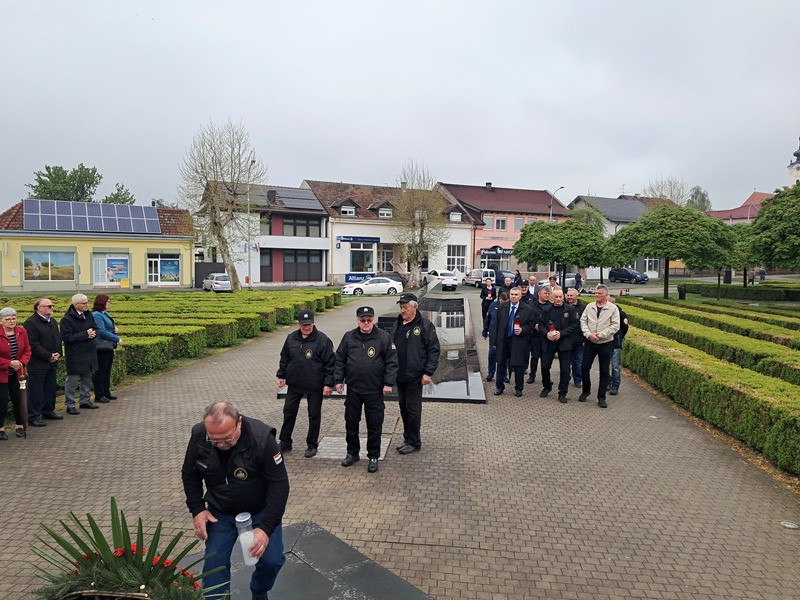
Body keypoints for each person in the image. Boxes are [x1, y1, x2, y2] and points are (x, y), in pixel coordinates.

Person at [182, 401, 289, 600]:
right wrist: (197, 509)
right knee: (214, 565)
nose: (221, 445)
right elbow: (189, 474)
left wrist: (266, 528)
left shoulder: (262, 439)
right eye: (215, 440)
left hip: (260, 511)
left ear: (239, 422)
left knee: (271, 561)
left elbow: (279, 485)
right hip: (221, 512)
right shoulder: (199, 435)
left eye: (227, 439)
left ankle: (259, 591)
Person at [335, 306, 398, 473]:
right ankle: (352, 453)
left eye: (369, 320)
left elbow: (392, 362)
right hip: (354, 389)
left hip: (374, 390)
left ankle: (373, 456)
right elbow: (340, 359)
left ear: (373, 319)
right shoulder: (349, 337)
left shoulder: (383, 337)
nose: (366, 323)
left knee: (374, 424)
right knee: (351, 422)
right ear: (357, 321)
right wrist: (338, 380)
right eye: (362, 320)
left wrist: (388, 383)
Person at [276, 308, 335, 458]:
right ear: (298, 324)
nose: (306, 327)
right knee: (288, 412)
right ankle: (285, 442)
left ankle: (312, 444)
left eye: (309, 324)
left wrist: (328, 384)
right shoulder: (291, 338)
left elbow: (330, 364)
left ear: (313, 323)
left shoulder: (323, 340)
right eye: (303, 324)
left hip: (315, 385)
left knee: (313, 416)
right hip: (295, 384)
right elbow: (284, 358)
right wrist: (281, 375)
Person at [391, 294, 440, 455]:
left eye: (406, 307)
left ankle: (414, 442)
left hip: (415, 375)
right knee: (403, 408)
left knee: (413, 410)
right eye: (401, 307)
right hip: (400, 375)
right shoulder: (398, 324)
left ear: (415, 307)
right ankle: (407, 438)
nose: (402, 310)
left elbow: (433, 350)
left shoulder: (425, 325)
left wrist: (428, 372)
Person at [579, 284, 620, 408]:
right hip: (590, 342)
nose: (596, 295)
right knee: (584, 368)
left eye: (599, 293)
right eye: (596, 293)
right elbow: (583, 321)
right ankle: (586, 391)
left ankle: (601, 397)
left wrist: (601, 335)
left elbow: (615, 326)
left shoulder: (613, 308)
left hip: (605, 343)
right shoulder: (589, 306)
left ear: (606, 295)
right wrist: (588, 334)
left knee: (604, 371)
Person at [23, 299, 63, 425]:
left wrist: (58, 353)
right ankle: (33, 416)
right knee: (36, 391)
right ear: (39, 308)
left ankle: (48, 411)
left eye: (52, 305)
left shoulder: (52, 321)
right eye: (49, 306)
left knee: (50, 388)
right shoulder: (31, 323)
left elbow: (58, 339)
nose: (52, 308)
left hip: (52, 362)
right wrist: (48, 356)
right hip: (37, 363)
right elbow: (33, 344)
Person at [539, 289, 580, 403]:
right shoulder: (546, 309)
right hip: (549, 342)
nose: (558, 299)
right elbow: (540, 325)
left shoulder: (570, 309)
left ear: (564, 297)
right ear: (552, 297)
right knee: (544, 367)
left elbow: (574, 325)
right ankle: (547, 386)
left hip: (564, 342)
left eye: (560, 297)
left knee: (565, 370)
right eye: (556, 297)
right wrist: (546, 333)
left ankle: (562, 392)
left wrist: (561, 333)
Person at [60, 293, 99, 414]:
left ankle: (85, 400)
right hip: (75, 353)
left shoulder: (88, 315)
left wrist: (93, 334)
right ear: (76, 305)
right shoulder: (67, 319)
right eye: (84, 303)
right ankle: (70, 404)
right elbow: (66, 337)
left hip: (89, 351)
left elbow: (95, 328)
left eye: (87, 302)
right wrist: (85, 334)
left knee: (87, 377)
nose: (87, 305)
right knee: (72, 379)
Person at [492, 287, 534, 397]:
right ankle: (499, 386)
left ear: (520, 296)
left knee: (518, 365)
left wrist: (523, 330)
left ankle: (519, 388)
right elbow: (496, 324)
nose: (513, 296)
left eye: (516, 295)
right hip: (504, 340)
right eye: (512, 294)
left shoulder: (527, 309)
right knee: (501, 364)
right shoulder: (502, 306)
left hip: (518, 341)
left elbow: (531, 326)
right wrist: (494, 341)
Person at [0, 307, 32, 440]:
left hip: (17, 372)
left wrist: (21, 362)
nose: (11, 321)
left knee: (18, 399)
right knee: (1, 401)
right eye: (7, 319)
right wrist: (8, 363)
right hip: (1, 373)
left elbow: (27, 349)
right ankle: (0, 428)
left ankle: (19, 425)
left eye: (13, 318)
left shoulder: (21, 331)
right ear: (1, 321)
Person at [92, 294, 122, 404]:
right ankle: (99, 395)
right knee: (100, 371)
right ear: (102, 302)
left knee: (107, 370)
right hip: (101, 346)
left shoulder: (104, 314)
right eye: (108, 301)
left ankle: (106, 392)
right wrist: (117, 338)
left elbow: (108, 327)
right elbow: (101, 331)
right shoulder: (96, 315)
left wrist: (114, 329)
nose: (109, 303)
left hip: (108, 345)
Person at [526, 286, 551, 385]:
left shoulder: (551, 306)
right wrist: (534, 326)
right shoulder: (532, 306)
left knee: (546, 358)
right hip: (535, 335)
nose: (547, 295)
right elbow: (528, 319)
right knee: (535, 357)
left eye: (548, 294)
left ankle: (546, 377)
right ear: (539, 294)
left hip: (546, 336)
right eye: (545, 293)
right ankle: (532, 375)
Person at [483, 291, 510, 383]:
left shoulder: (509, 307)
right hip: (494, 334)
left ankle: (504, 374)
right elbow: (488, 318)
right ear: (499, 299)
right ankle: (491, 372)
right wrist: (485, 331)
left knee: (504, 355)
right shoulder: (493, 305)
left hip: (504, 335)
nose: (504, 304)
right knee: (492, 354)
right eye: (502, 302)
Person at [608, 295, 629, 396]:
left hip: (616, 343)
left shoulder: (621, 313)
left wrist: (620, 337)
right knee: (605, 365)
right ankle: (607, 383)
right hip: (606, 343)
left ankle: (615, 386)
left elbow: (625, 327)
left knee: (615, 366)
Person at [565, 288, 586, 388]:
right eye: (568, 295)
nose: (569, 297)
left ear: (576, 296)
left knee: (578, 361)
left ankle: (577, 380)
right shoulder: (563, 306)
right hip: (566, 339)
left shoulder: (583, 308)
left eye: (571, 295)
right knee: (566, 361)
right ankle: (566, 377)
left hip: (578, 340)